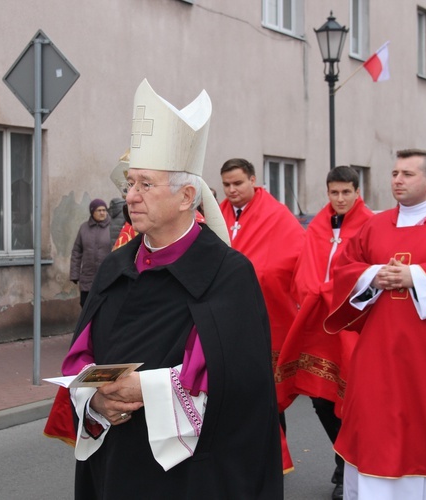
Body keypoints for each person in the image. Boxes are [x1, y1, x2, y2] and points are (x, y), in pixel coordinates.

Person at [61, 79, 282, 498]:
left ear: (186, 197)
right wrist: (94, 402)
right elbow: (81, 357)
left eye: (146, 184)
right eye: (129, 183)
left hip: (189, 478)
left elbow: (231, 385)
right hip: (114, 460)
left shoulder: (227, 274)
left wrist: (143, 388)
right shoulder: (114, 268)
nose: (131, 197)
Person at [324, 149, 426, 500]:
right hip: (380, 355)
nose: (397, 180)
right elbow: (344, 269)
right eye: (395, 173)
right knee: (376, 429)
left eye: (407, 174)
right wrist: (373, 275)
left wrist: (416, 276)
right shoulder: (374, 225)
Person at [275, 166, 374, 500]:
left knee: (352, 400)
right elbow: (304, 270)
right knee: (321, 398)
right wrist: (311, 292)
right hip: (318, 327)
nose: (341, 198)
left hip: (353, 326)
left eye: (347, 192)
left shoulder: (371, 226)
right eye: (335, 193)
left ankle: (349, 467)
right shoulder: (318, 225)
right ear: (328, 193)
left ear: (357, 192)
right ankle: (344, 460)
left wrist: (331, 292)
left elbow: (367, 275)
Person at [219, 157, 305, 472]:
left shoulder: (277, 215)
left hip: (266, 316)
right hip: (226, 320)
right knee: (239, 391)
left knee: (269, 391)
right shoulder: (219, 213)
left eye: (238, 183)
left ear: (254, 180)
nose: (231, 191)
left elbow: (294, 256)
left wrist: (257, 273)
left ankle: (274, 457)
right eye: (227, 185)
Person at [70, 199, 112, 307]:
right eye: (99, 210)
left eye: (104, 210)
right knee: (86, 305)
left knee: (104, 307)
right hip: (88, 277)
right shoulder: (84, 228)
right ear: (92, 212)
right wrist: (75, 274)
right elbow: (77, 252)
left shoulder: (112, 227)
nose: (102, 213)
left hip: (107, 276)